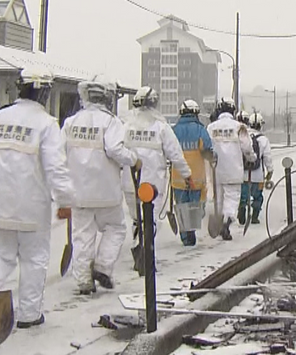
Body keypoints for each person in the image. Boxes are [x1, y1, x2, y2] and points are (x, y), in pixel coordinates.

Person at [0, 66, 74, 329]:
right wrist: (64, 201)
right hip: (31, 209)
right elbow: (55, 168)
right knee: (34, 259)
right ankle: (29, 315)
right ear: (44, 93)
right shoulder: (46, 124)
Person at [62, 75, 139, 295]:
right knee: (115, 228)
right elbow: (115, 149)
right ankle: (103, 267)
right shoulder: (111, 122)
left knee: (83, 236)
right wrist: (133, 159)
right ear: (106, 98)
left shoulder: (71, 122)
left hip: (79, 191)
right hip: (106, 190)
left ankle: (84, 281)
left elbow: (60, 154)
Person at [123, 86, 191, 275]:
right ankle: (144, 252)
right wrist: (187, 175)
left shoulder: (125, 126)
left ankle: (139, 246)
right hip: (153, 184)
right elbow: (175, 154)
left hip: (129, 182)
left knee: (137, 218)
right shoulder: (162, 128)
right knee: (150, 220)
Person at [206, 98, 255, 240]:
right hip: (234, 170)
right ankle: (227, 221)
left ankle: (220, 219)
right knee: (232, 198)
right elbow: (247, 148)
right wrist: (252, 158)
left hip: (216, 171)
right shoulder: (239, 127)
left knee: (219, 199)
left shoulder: (211, 127)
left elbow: (206, 146)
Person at [172, 100, 212, 247]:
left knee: (182, 205)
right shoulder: (201, 130)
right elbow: (207, 149)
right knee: (196, 205)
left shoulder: (174, 130)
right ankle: (192, 230)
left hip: (178, 176)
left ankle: (185, 235)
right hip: (196, 177)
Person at [239, 112, 272, 226]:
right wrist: (270, 171)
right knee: (258, 196)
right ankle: (254, 216)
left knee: (243, 195)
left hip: (243, 174)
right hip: (258, 176)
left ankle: (242, 209)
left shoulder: (243, 137)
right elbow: (267, 157)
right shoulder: (264, 140)